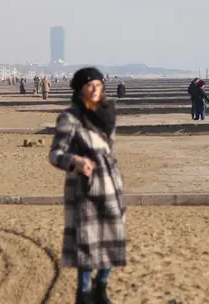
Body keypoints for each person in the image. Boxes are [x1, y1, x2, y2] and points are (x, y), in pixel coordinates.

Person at [49, 67, 127, 304]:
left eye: (99, 85)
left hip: (110, 184)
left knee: (113, 238)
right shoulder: (70, 117)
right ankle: (83, 293)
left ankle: (101, 287)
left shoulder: (108, 113)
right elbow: (55, 154)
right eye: (90, 85)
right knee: (87, 242)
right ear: (80, 89)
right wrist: (75, 160)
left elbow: (109, 148)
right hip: (85, 188)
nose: (95, 90)